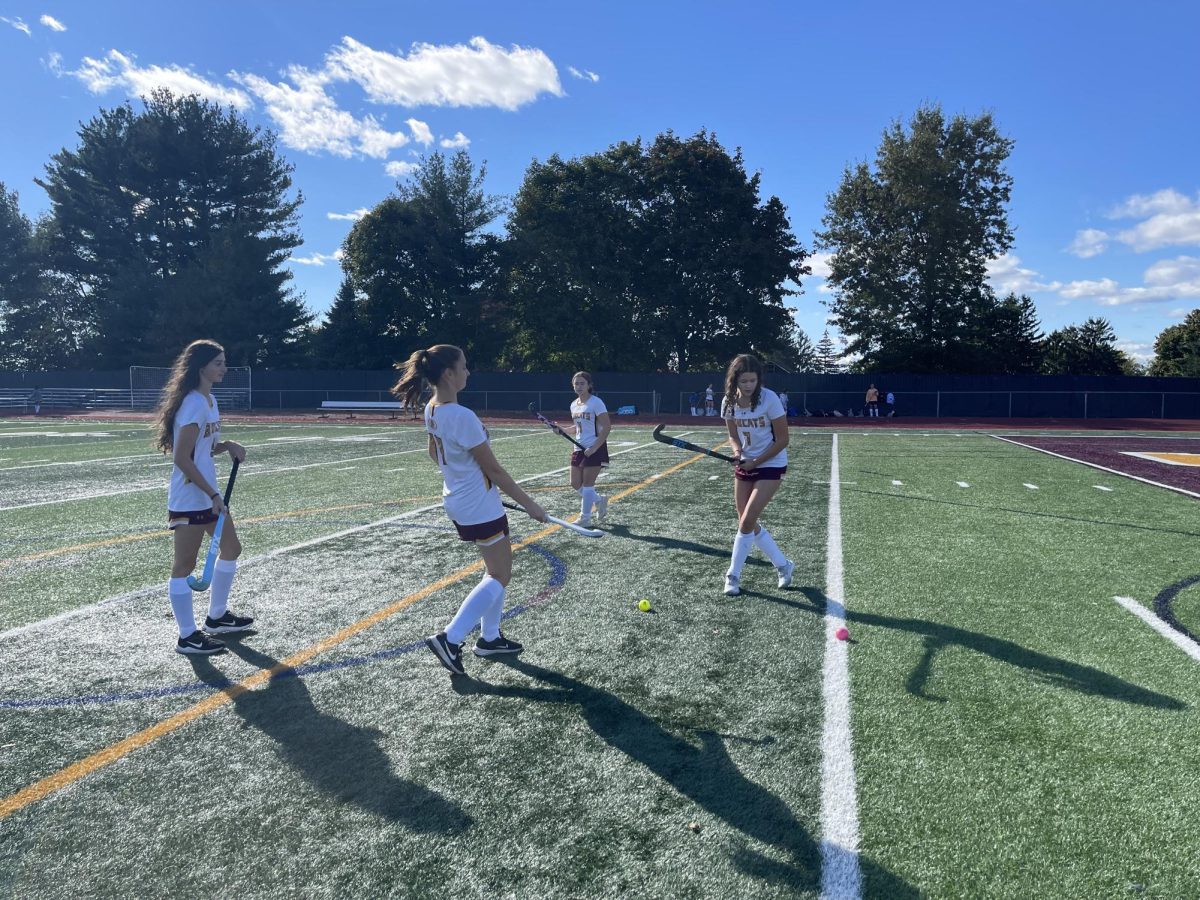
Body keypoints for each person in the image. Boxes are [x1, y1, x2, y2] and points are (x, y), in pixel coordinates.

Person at [393, 344, 548, 677]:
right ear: (448, 373)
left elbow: (434, 454)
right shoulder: (461, 416)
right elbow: (495, 471)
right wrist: (531, 506)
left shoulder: (432, 408)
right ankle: (451, 638)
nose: (468, 371)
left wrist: (463, 476)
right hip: (478, 504)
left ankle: (489, 637)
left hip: (463, 499)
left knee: (495, 570)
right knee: (500, 574)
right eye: (464, 366)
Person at [152, 340, 252, 656]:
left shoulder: (209, 400)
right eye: (219, 363)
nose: (224, 368)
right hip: (190, 497)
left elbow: (204, 448)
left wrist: (227, 445)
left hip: (208, 494)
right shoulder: (194, 403)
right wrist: (211, 493)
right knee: (184, 565)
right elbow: (182, 458)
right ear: (202, 367)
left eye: (224, 362)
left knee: (231, 548)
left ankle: (217, 616)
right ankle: (186, 636)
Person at [720, 353, 794, 597]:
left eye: (753, 381)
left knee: (747, 520)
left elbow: (783, 439)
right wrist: (738, 452)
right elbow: (732, 435)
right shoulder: (728, 402)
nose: (749, 386)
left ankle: (732, 575)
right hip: (747, 462)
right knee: (747, 522)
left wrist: (756, 461)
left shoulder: (769, 399)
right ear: (735, 381)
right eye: (744, 382)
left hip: (771, 462)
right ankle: (784, 565)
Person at [570, 371, 611, 527]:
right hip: (578, 448)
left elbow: (607, 427)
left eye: (582, 383)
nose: (579, 386)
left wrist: (594, 448)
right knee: (575, 483)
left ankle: (585, 518)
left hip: (595, 447)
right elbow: (577, 427)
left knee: (588, 485)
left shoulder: (596, 402)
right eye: (576, 383)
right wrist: (562, 429)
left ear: (589, 385)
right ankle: (599, 500)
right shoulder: (573, 404)